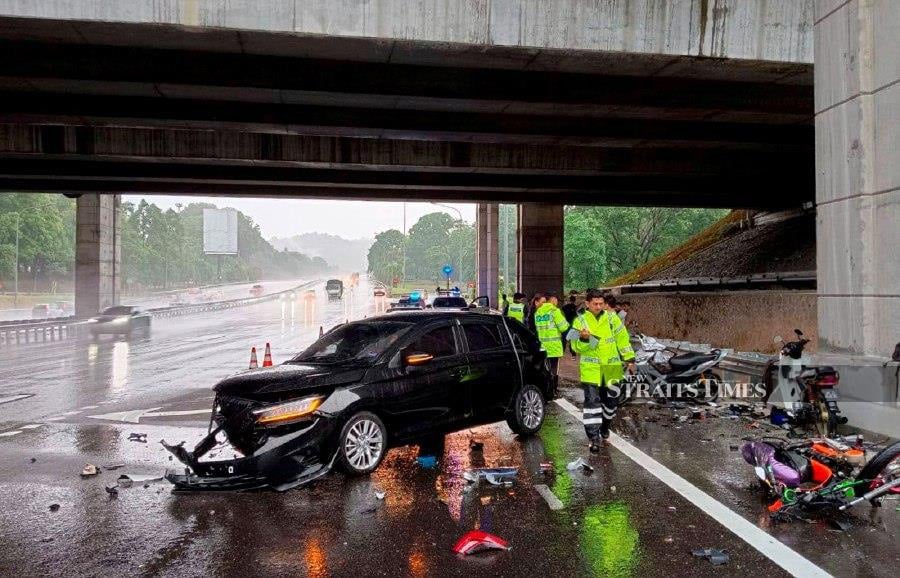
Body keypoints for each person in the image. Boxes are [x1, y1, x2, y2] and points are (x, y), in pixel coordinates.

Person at [570, 289, 635, 452]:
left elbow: (623, 340)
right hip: (591, 369)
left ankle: (605, 425)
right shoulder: (580, 321)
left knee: (611, 403)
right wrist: (584, 339)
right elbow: (575, 347)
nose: (598, 306)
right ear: (587, 304)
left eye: (601, 303)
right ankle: (594, 437)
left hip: (612, 368)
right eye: (595, 304)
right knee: (592, 403)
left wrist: (630, 359)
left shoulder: (612, 319)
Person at [534, 294, 569, 395]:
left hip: (543, 346)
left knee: (545, 369)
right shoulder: (555, 311)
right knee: (554, 370)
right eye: (556, 300)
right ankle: (553, 391)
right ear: (552, 300)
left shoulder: (538, 312)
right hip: (554, 346)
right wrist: (565, 323)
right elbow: (563, 327)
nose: (556, 302)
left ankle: (546, 390)